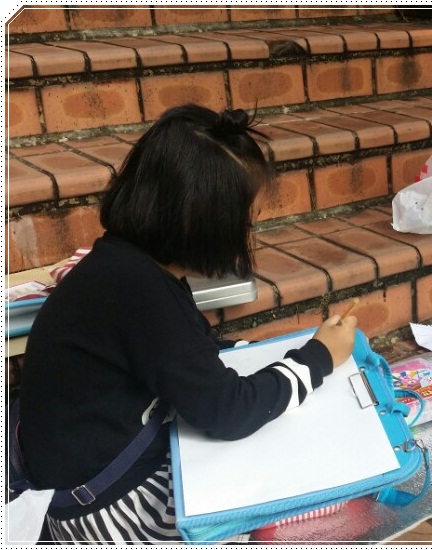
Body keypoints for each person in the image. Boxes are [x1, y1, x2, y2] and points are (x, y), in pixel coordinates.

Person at [16, 105, 358, 543]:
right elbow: (225, 412)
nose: (247, 234)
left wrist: (258, 357)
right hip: (108, 512)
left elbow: (189, 353)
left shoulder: (126, 265)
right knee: (292, 487)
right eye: (244, 222)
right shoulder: (139, 290)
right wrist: (319, 358)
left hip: (97, 476)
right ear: (202, 222)